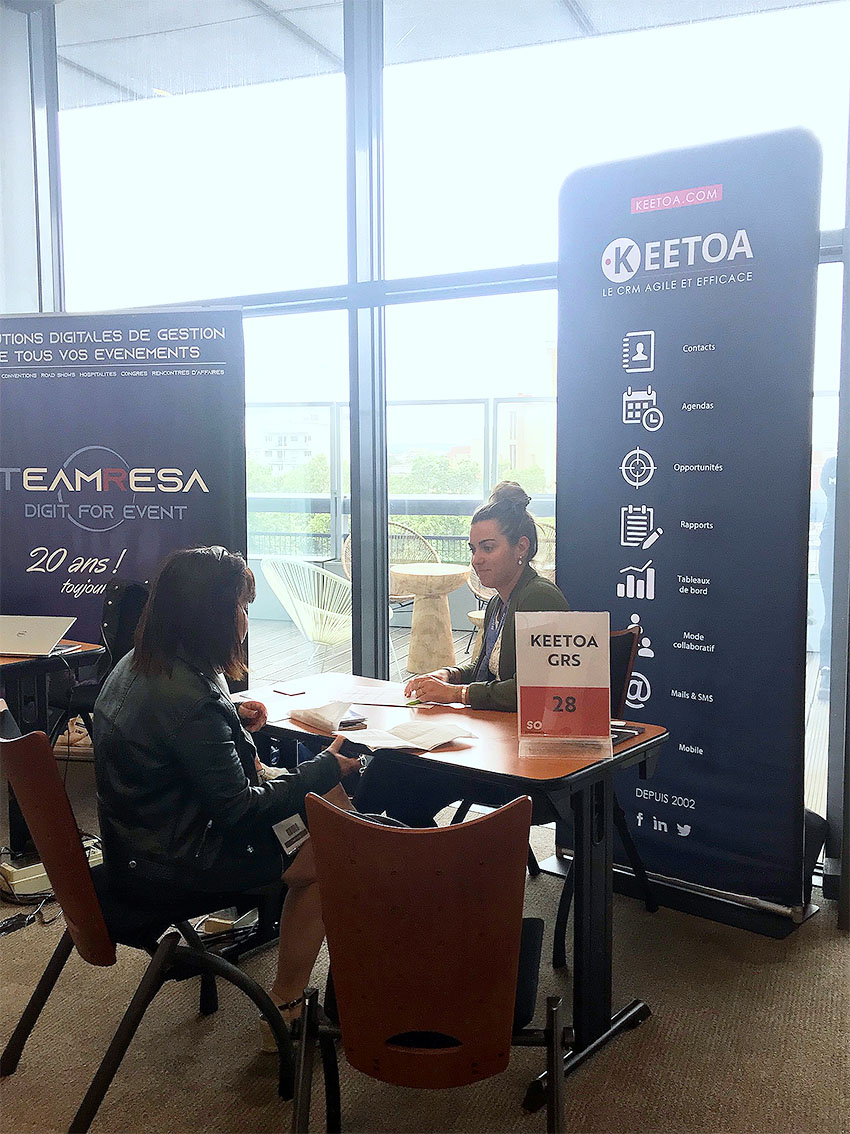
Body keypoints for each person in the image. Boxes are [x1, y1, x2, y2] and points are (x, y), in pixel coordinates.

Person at [93, 546, 361, 1037]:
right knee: (332, 856)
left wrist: (229, 723)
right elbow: (241, 811)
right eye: (240, 606)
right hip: (175, 863)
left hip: (138, 843)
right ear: (211, 615)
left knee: (331, 817)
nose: (244, 619)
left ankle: (349, 948)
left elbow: (168, 741)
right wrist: (324, 768)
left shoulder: (137, 664)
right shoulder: (192, 699)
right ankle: (287, 1006)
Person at [355, 482, 569, 826]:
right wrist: (448, 675)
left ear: (522, 547)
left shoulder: (539, 598)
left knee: (398, 770)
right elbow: (485, 668)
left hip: (528, 764)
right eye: (473, 549)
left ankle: (340, 834)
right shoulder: (499, 601)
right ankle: (373, 841)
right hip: (496, 743)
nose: (476, 559)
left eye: (488, 547)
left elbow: (534, 692)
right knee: (397, 769)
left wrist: (456, 694)